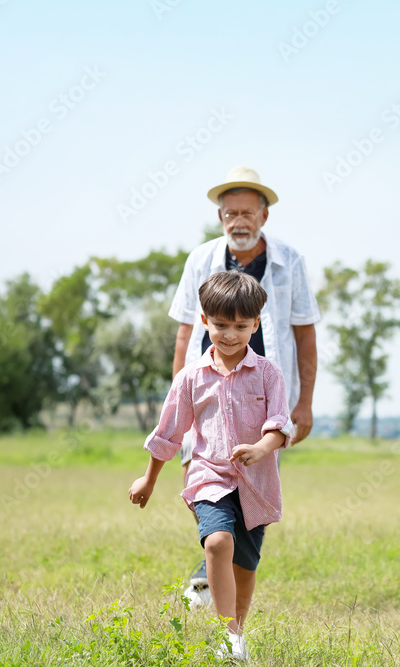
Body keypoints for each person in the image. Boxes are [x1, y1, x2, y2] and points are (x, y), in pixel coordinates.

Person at [169, 166, 320, 606]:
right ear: (220, 217)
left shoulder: (291, 261)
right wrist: (178, 394)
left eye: (246, 212)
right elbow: (183, 332)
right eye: (229, 212)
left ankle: (217, 576)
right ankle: (208, 565)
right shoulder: (200, 260)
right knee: (202, 480)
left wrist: (304, 403)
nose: (238, 220)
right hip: (208, 392)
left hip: (263, 398)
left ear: (263, 217)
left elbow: (305, 334)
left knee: (251, 491)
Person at [129, 271, 294, 661]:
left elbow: (280, 425)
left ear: (256, 324)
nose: (231, 335)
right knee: (218, 542)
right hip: (208, 476)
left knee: (246, 565)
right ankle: (228, 633)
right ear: (205, 321)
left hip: (257, 482)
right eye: (221, 325)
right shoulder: (191, 378)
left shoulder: (269, 374)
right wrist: (148, 479)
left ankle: (236, 632)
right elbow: (168, 432)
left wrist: (261, 447)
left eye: (241, 326)